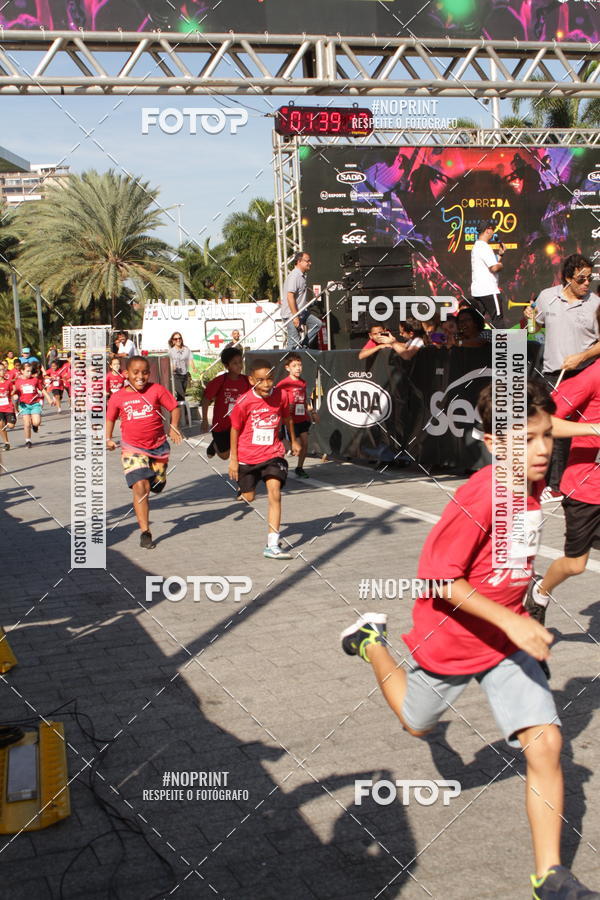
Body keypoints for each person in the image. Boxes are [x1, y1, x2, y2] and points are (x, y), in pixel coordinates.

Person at [340, 379, 600, 900]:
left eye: (545, 436)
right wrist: (515, 621)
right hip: (453, 637)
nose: (543, 449)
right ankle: (371, 640)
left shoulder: (531, 481)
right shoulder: (478, 495)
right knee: (417, 725)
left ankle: (550, 876)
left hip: (506, 642)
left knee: (548, 744)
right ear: (490, 440)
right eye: (526, 439)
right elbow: (440, 580)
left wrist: (516, 617)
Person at [523, 358, 600, 628]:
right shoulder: (592, 376)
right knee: (575, 564)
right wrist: (596, 429)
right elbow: (544, 422)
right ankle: (540, 591)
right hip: (587, 488)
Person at [524, 253, 600, 500]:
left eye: (589, 278)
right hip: (551, 373)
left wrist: (583, 356)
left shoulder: (595, 303)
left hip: (583, 374)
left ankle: (558, 486)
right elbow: (535, 329)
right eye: (581, 279)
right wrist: (531, 319)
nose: (586, 283)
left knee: (573, 433)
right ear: (567, 278)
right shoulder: (547, 297)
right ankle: (547, 482)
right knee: (548, 428)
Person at [106, 356, 181, 549]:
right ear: (126, 374)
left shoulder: (156, 390)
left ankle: (159, 479)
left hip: (158, 447)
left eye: (145, 372)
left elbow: (174, 408)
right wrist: (107, 438)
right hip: (132, 448)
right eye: (135, 373)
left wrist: (173, 427)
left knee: (156, 485)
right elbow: (110, 418)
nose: (140, 376)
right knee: (141, 487)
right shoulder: (118, 397)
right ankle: (145, 532)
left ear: (149, 373)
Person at [229, 358, 300, 559]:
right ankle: (242, 489)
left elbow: (287, 418)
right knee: (249, 497)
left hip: (273, 454)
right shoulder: (243, 402)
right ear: (252, 380)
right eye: (261, 380)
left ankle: (272, 544)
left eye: (269, 379)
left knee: (274, 493)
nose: (267, 384)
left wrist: (292, 440)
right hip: (248, 457)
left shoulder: (282, 396)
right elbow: (234, 430)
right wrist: (233, 459)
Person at [201, 347, 250, 460]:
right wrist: (204, 419)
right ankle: (215, 444)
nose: (239, 365)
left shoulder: (246, 380)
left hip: (239, 424)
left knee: (240, 450)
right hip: (221, 424)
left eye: (240, 362)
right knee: (224, 456)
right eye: (235, 363)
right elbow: (206, 399)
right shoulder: (220, 381)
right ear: (227, 366)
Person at [276, 352, 319, 479]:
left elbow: (304, 401)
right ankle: (279, 442)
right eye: (294, 365)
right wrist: (285, 406)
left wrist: (312, 412)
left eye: (300, 365)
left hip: (302, 419)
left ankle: (299, 468)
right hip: (289, 421)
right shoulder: (283, 384)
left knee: (305, 443)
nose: (298, 368)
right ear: (287, 368)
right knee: (297, 447)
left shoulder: (303, 383)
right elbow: (276, 400)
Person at [280, 251, 323, 350]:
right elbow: (290, 296)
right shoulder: (295, 276)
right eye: (307, 261)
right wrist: (295, 317)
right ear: (299, 261)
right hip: (291, 315)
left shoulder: (302, 276)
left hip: (301, 312)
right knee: (293, 342)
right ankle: (284, 362)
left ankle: (303, 347)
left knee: (317, 324)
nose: (310, 263)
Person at [470, 220, 506, 327]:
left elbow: (489, 264)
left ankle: (475, 342)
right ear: (488, 230)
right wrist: (501, 265)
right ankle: (503, 343)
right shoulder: (484, 247)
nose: (493, 232)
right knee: (498, 320)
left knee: (477, 322)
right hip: (489, 290)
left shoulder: (477, 246)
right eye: (492, 230)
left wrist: (500, 255)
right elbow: (494, 268)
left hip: (479, 291)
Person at [12, 361, 54, 448]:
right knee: (26, 424)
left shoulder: (35, 380)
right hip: (24, 405)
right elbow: (15, 392)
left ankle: (35, 425)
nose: (29, 373)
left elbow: (42, 389)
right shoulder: (18, 382)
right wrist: (15, 395)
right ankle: (28, 440)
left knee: (37, 422)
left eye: (30, 371)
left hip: (35, 403)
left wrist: (49, 399)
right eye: (27, 371)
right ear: (22, 371)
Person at [167, 331, 193, 402]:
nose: (178, 340)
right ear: (173, 341)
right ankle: (183, 412)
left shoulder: (186, 349)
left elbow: (190, 359)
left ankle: (178, 410)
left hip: (185, 375)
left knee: (180, 396)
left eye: (179, 338)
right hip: (176, 376)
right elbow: (169, 363)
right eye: (176, 339)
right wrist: (173, 367)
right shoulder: (171, 351)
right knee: (181, 395)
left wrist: (194, 368)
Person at [0, 362, 16, 450]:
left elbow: (13, 390)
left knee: (11, 426)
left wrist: (14, 394)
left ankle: (8, 421)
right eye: (0, 370)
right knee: (0, 425)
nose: (2, 372)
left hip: (8, 408)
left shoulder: (8, 382)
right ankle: (6, 443)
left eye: (3, 369)